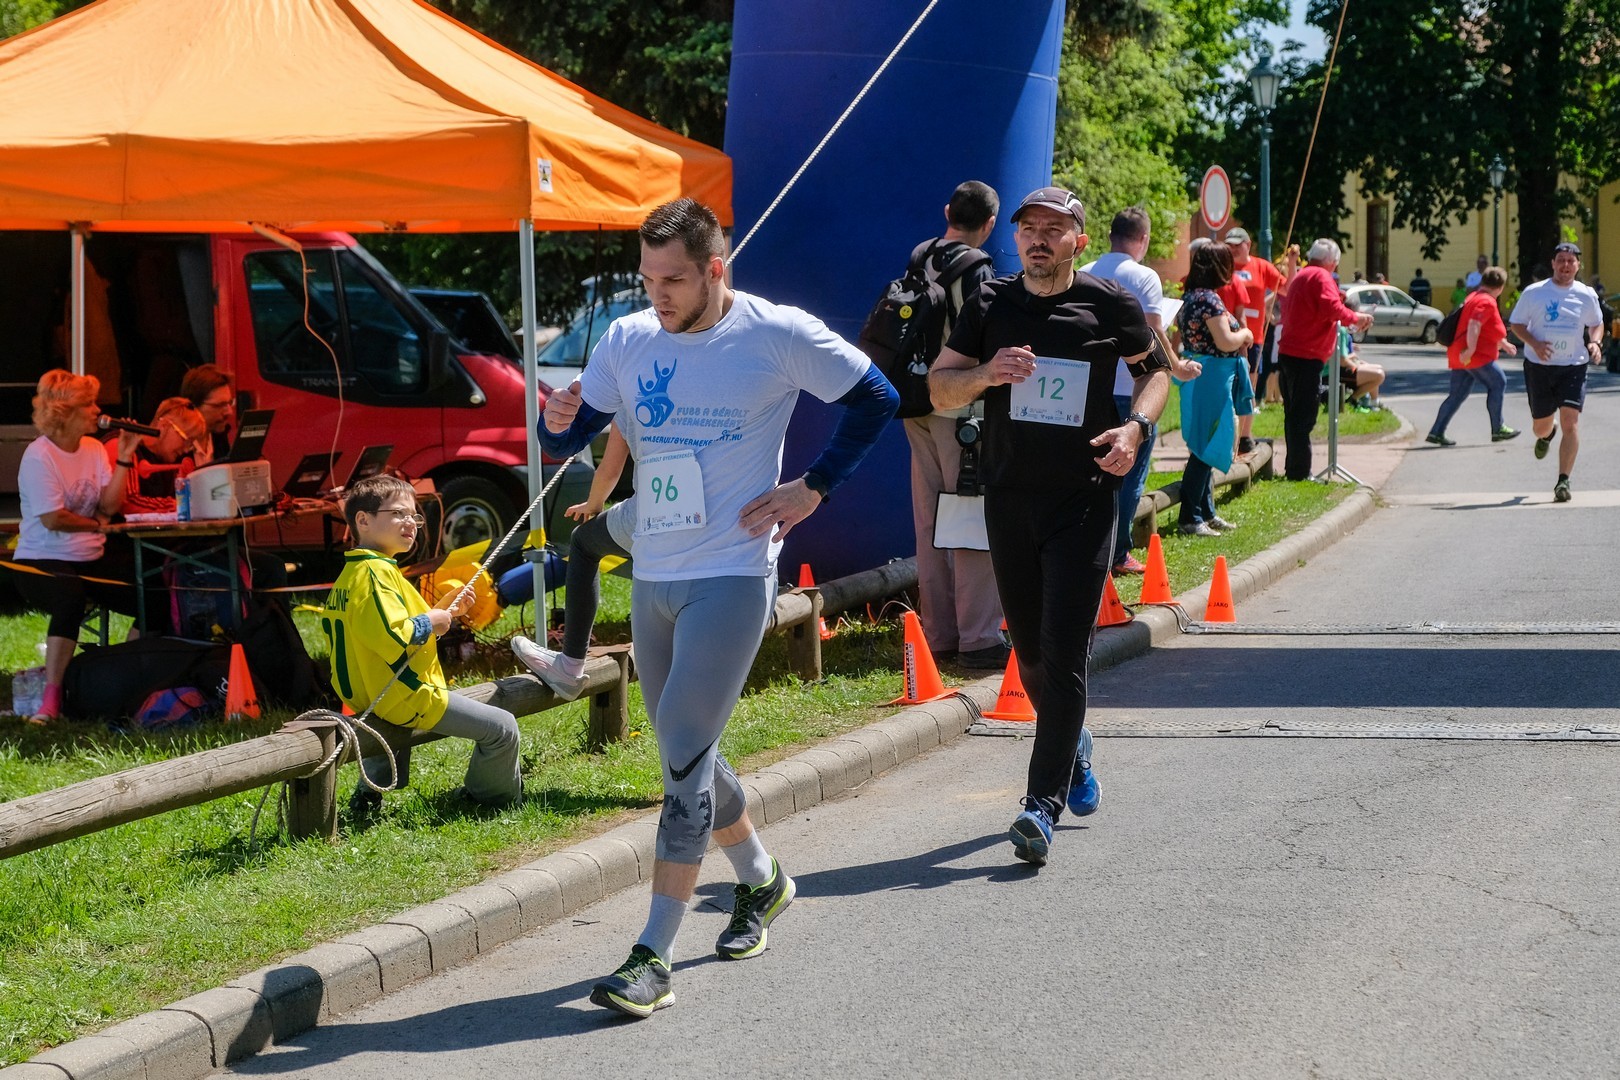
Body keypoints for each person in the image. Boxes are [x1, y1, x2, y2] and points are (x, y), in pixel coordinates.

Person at [540, 198, 897, 1017]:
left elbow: (877, 397)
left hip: (733, 571)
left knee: (680, 763)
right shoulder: (629, 338)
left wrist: (813, 487)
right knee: (685, 751)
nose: (657, 295)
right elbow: (567, 435)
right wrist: (554, 420)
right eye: (647, 279)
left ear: (714, 271)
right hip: (654, 572)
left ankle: (652, 956)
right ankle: (763, 880)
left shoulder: (774, 333)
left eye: (672, 280)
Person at [929, 186, 1166, 867]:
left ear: (1077, 241)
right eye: (1028, 227)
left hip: (1083, 497)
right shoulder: (989, 304)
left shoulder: (1108, 303)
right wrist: (985, 374)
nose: (1038, 238)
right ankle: (1074, 745)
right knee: (1030, 652)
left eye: (1053, 229)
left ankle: (1040, 804)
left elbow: (1155, 375)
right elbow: (940, 387)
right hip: (1009, 497)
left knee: (1063, 653)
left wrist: (1135, 428)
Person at [319, 474, 522, 815]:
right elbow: (394, 637)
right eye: (398, 513)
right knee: (503, 729)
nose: (410, 522)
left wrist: (445, 611)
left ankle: (367, 798)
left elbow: (381, 627)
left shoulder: (357, 573)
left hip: (372, 693)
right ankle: (489, 800)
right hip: (404, 695)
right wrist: (433, 621)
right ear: (363, 521)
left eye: (414, 515)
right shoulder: (376, 575)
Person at [900, 181, 1007, 665]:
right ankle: (978, 637)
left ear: (948, 212)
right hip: (962, 413)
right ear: (990, 224)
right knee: (969, 519)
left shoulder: (920, 255)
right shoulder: (978, 268)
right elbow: (984, 338)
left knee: (929, 522)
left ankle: (939, 634)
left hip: (916, 404)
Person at [9, 371, 144, 723]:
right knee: (69, 597)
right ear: (64, 411)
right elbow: (54, 518)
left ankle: (120, 678)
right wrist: (95, 524)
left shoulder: (95, 448)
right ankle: (51, 700)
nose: (98, 410)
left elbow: (109, 507)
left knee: (150, 597)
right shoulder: (39, 456)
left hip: (89, 556)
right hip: (41, 558)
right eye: (89, 404)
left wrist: (124, 457)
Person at [1083, 207, 1197, 574]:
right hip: (1134, 388)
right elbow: (1153, 332)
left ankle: (1087, 546)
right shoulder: (1145, 277)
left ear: (1110, 236)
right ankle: (1117, 554)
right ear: (1143, 239)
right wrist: (1176, 368)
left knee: (1091, 472)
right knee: (1129, 473)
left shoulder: (1084, 270)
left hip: (1091, 390)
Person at [510, 425, 635, 698]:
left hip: (652, 514)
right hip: (721, 517)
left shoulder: (631, 397)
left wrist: (594, 504)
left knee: (583, 542)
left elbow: (610, 468)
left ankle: (570, 666)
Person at [1508, 241, 1605, 502]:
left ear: (1578, 265)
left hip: (1573, 366)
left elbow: (1597, 323)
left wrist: (1595, 342)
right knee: (1540, 427)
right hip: (1539, 367)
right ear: (1553, 263)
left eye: (1570, 261)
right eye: (1561, 260)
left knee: (1570, 422)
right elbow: (1516, 323)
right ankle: (1547, 435)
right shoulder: (1534, 292)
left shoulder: (1586, 294)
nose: (1565, 265)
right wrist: (1535, 344)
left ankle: (1563, 480)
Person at [1275, 239, 1375, 480]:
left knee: (1293, 415)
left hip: (1290, 353)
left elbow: (1316, 305)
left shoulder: (1303, 275)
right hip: (1306, 356)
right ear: (1332, 261)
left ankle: (1294, 468)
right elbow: (1331, 309)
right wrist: (1357, 317)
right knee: (1304, 417)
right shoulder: (1321, 277)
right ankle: (1300, 473)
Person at [1175, 241, 1253, 536]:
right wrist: (1245, 334)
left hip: (1201, 375)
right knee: (1204, 445)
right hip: (1212, 378)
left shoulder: (1191, 296)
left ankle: (1206, 512)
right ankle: (1190, 518)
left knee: (1205, 443)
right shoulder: (1209, 300)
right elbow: (1225, 342)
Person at [1426, 266, 1519, 446]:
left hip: (1458, 353)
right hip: (1474, 356)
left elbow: (1488, 329)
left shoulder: (1473, 297)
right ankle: (1498, 428)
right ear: (1500, 287)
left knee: (1457, 395)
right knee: (1498, 382)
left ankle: (1436, 432)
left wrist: (1504, 344)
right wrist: (1470, 349)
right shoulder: (1487, 301)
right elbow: (1475, 324)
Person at [1224, 227, 1294, 455]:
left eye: (1238, 245)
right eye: (1229, 245)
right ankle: (1225, 437)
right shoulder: (1221, 264)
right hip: (1224, 336)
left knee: (1249, 387)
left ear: (1248, 245)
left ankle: (1245, 436)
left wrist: (1292, 263)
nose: (1233, 249)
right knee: (1226, 387)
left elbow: (1288, 288)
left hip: (1253, 338)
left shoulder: (1261, 266)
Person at [104, 396, 206, 513]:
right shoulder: (123, 445)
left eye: (191, 444)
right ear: (164, 426)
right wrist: (179, 505)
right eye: (186, 440)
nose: (187, 449)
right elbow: (128, 502)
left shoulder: (168, 460)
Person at [180, 364, 236, 465]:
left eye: (230, 403)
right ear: (193, 406)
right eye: (219, 405)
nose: (229, 412)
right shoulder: (177, 447)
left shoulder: (220, 438)